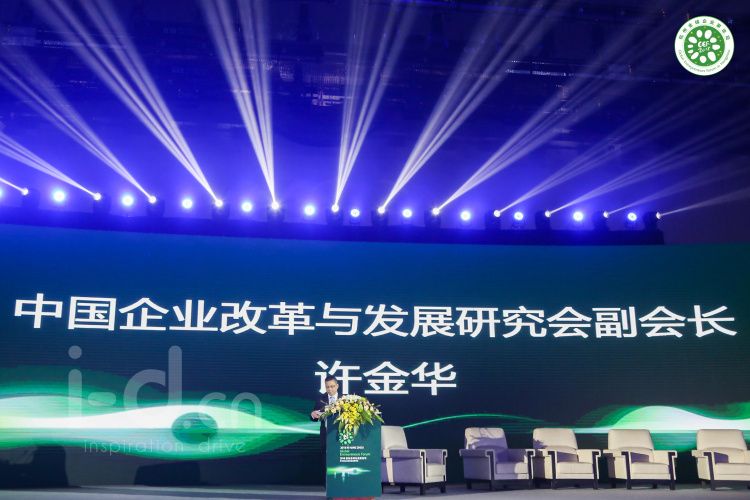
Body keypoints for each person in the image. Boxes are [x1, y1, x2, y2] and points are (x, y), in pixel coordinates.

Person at [310, 375, 340, 480]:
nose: (330, 389)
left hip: (341, 435)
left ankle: (341, 484)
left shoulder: (345, 399)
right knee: (326, 460)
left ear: (337, 386)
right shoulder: (321, 399)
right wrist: (313, 415)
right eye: (327, 387)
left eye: (332, 386)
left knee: (340, 459)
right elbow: (314, 417)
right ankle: (328, 485)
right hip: (326, 434)